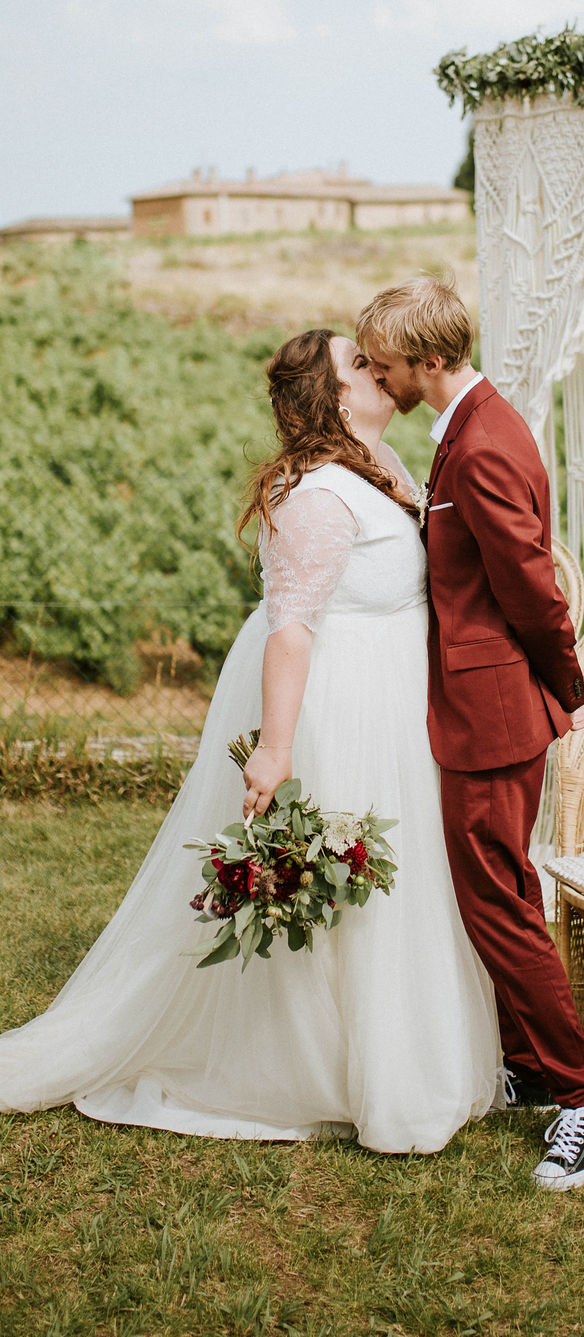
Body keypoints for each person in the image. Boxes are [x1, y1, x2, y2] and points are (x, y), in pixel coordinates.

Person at [0, 330, 502, 1153]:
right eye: (359, 364)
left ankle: (404, 1056)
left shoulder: (383, 468)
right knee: (350, 888)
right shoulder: (313, 494)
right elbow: (292, 630)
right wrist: (275, 749)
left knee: (397, 889)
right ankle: (320, 1066)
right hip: (336, 708)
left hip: (393, 705)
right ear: (334, 397)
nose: (379, 369)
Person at [357, 274, 584, 1191]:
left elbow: (532, 586)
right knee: (498, 894)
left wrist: (570, 686)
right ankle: (527, 1063)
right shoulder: (470, 428)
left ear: (428, 360)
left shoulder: (479, 447)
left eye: (383, 361)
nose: (376, 373)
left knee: (499, 906)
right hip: (484, 704)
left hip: (495, 712)